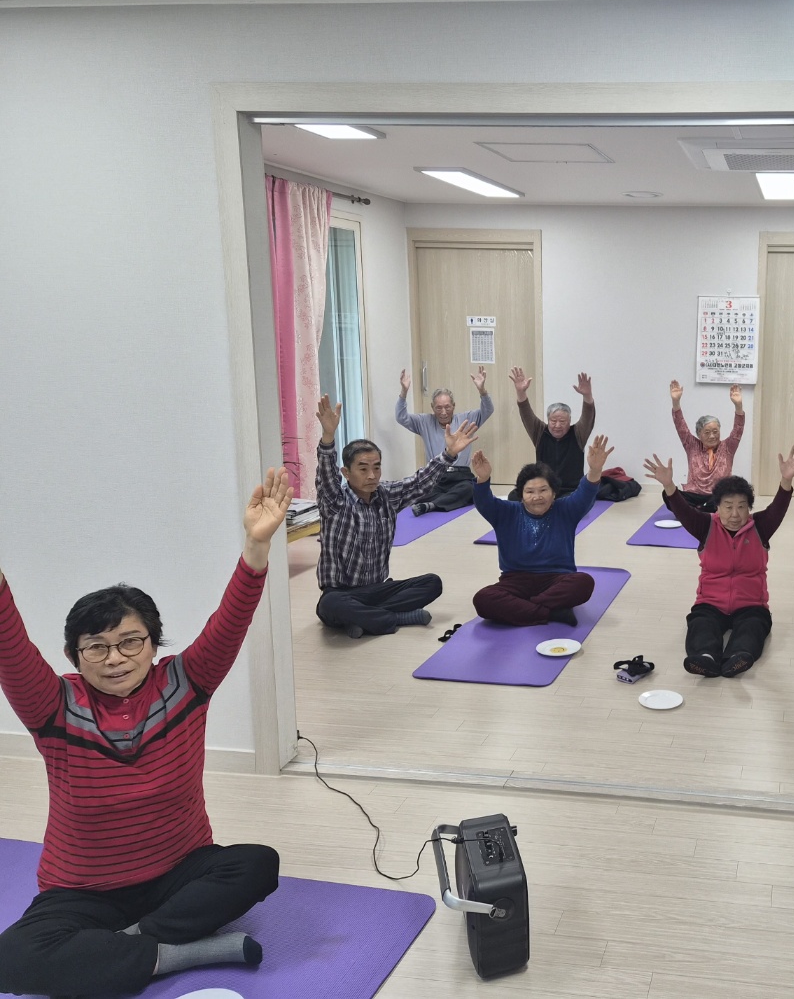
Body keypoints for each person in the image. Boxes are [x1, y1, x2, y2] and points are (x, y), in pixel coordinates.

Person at [0, 469, 293, 998]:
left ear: (154, 644)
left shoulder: (186, 682)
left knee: (257, 864)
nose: (115, 658)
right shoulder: (54, 705)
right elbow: (9, 644)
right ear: (74, 656)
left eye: (131, 642)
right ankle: (179, 952)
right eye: (96, 646)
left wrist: (256, 545)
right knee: (11, 959)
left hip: (178, 874)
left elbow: (230, 621)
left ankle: (125, 949)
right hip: (83, 892)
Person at [314, 394, 477, 638]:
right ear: (346, 473)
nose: (372, 475)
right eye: (363, 469)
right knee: (330, 605)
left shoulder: (386, 495)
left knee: (432, 583)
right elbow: (326, 477)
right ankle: (395, 618)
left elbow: (420, 482)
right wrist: (328, 437)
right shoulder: (335, 502)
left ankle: (363, 619)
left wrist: (449, 454)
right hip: (341, 592)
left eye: (376, 467)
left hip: (379, 589)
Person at [642, 446, 794, 677]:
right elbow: (683, 511)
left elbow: (778, 509)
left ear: (749, 509)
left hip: (751, 605)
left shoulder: (761, 526)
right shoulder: (705, 525)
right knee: (701, 624)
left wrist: (786, 481)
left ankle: (736, 658)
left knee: (752, 629)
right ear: (717, 507)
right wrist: (669, 486)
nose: (735, 514)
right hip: (711, 603)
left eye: (741, 507)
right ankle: (706, 658)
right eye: (728, 507)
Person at [469, 435, 614, 627]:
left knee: (584, 582)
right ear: (521, 495)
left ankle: (524, 608)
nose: (537, 497)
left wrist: (595, 470)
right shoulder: (506, 512)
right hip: (515, 581)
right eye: (530, 492)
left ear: (553, 493)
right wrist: (483, 479)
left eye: (543, 490)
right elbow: (484, 502)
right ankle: (552, 612)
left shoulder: (566, 509)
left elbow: (585, 494)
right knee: (483, 600)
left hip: (557, 579)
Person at [396, 365, 493, 516]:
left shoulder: (466, 419)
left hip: (461, 476)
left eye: (447, 407)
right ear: (432, 407)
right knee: (417, 491)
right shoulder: (424, 421)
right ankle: (442, 500)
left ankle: (431, 506)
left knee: (471, 489)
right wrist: (403, 392)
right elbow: (401, 417)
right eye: (438, 408)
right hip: (435, 475)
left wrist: (482, 390)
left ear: (454, 406)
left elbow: (488, 410)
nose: (443, 412)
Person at [508, 365, 596, 496]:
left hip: (571, 490)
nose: (557, 425)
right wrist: (521, 392)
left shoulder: (578, 433)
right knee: (513, 496)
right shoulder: (540, 432)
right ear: (548, 420)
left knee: (570, 502)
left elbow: (588, 417)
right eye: (553, 421)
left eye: (562, 421)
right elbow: (526, 413)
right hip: (544, 489)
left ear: (569, 421)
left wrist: (587, 396)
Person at [669, 379, 745, 510]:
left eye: (715, 431)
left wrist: (738, 406)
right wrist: (676, 402)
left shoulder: (728, 446)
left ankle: (698, 510)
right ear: (699, 434)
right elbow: (680, 425)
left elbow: (738, 428)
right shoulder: (692, 445)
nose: (712, 436)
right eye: (707, 432)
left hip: (718, 497)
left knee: (727, 500)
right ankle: (700, 508)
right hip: (694, 494)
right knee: (669, 495)